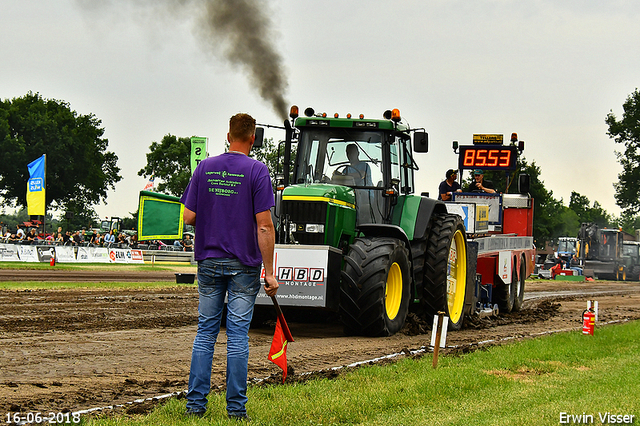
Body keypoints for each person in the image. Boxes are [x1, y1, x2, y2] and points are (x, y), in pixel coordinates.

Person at [180, 113, 279, 421]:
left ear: (227, 135)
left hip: (208, 261)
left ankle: (196, 406)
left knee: (205, 332)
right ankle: (236, 410)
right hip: (242, 265)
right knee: (237, 335)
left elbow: (188, 216)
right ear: (252, 138)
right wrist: (270, 271)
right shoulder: (258, 171)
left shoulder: (205, 167)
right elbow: (264, 226)